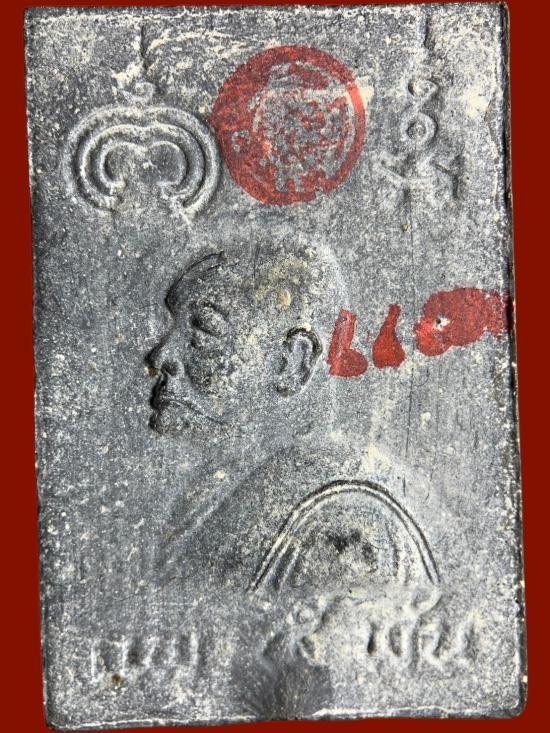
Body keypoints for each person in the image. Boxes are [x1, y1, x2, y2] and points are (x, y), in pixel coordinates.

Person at [146, 240, 439, 715]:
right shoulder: (221, 492)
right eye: (173, 330)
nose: (161, 355)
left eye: (202, 332)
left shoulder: (345, 521)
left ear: (293, 361)